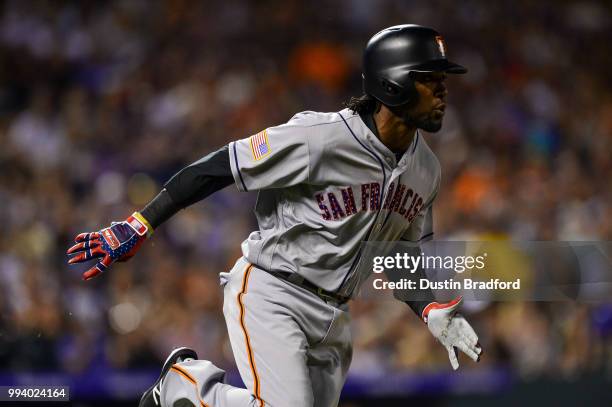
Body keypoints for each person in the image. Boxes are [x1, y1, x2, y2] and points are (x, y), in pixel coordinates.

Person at [67, 24, 482, 407]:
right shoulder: (320, 138)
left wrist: (430, 310)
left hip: (335, 316)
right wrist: (142, 222)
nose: (443, 91)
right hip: (274, 291)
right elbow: (218, 167)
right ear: (393, 83)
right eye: (430, 79)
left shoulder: (427, 170)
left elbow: (399, 256)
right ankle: (188, 385)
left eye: (443, 81)